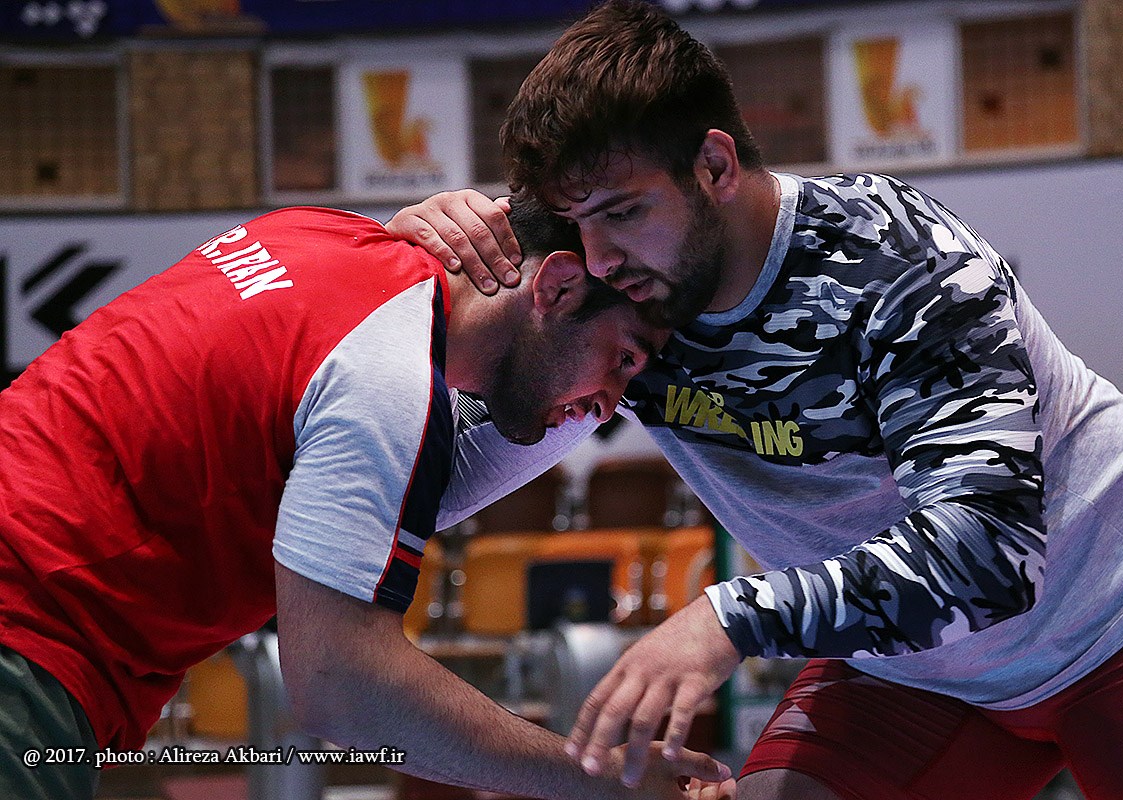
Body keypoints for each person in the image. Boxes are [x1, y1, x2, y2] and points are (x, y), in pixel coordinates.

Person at [385, 2, 1123, 798]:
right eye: (576, 224)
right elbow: (428, 474)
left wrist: (731, 617)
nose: (599, 258)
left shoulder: (896, 259)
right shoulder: (617, 289)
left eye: (623, 212)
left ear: (714, 167)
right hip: (912, 669)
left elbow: (990, 555)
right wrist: (408, 279)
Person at [0, 198, 737, 800]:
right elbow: (341, 689)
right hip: (25, 635)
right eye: (623, 360)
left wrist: (577, 381)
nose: (608, 406)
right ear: (559, 288)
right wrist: (601, 782)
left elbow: (447, 461)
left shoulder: (321, 231)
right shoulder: (386, 382)